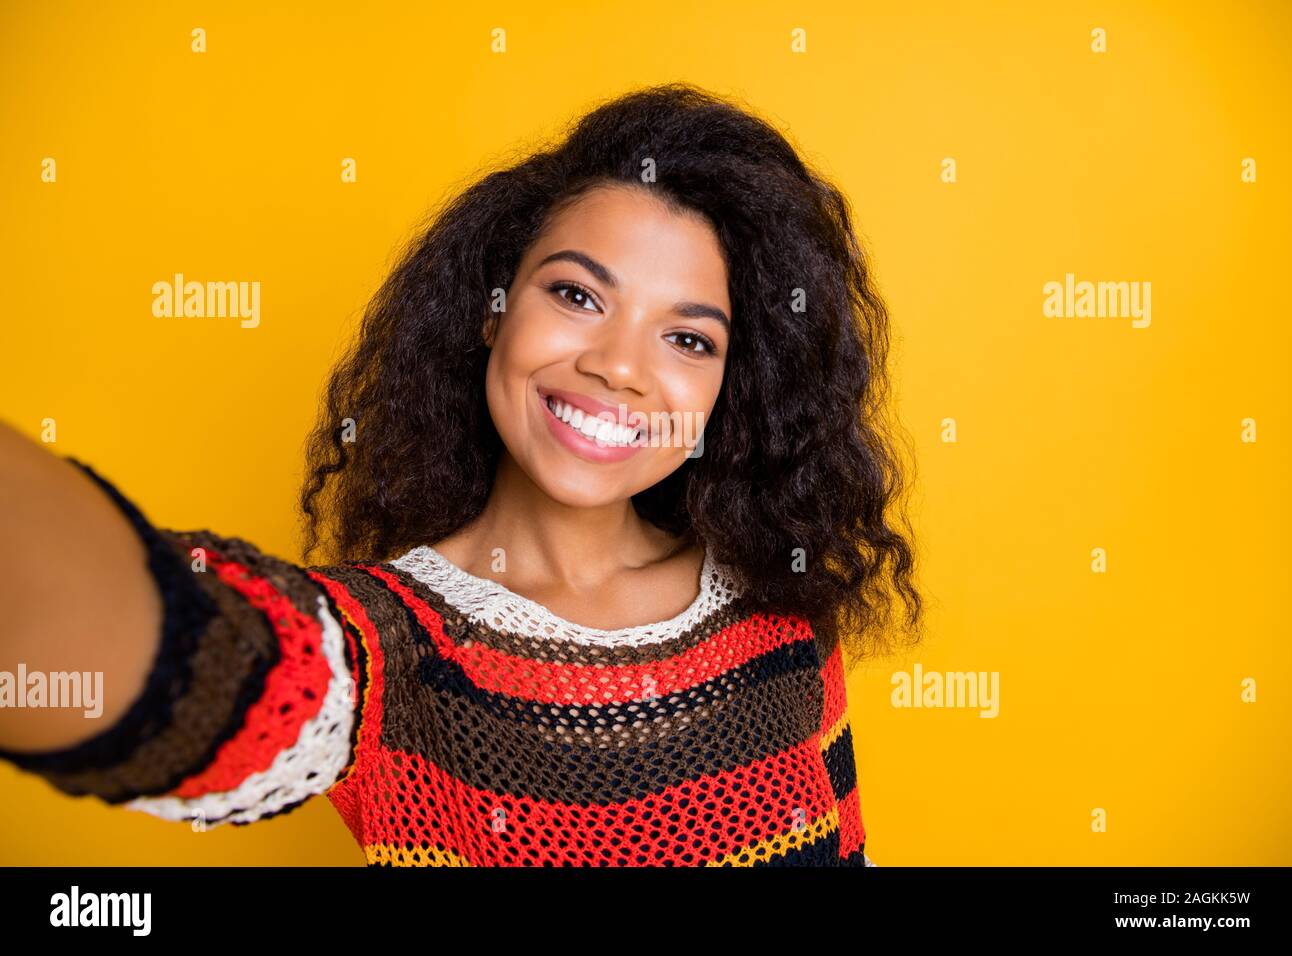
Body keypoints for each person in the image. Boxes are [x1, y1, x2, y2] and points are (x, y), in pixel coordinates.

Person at [0, 82, 922, 866]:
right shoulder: (389, 652)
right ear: (493, 312)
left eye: (687, 337)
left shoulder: (780, 611)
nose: (620, 365)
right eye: (575, 294)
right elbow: (148, 653)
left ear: (732, 385)